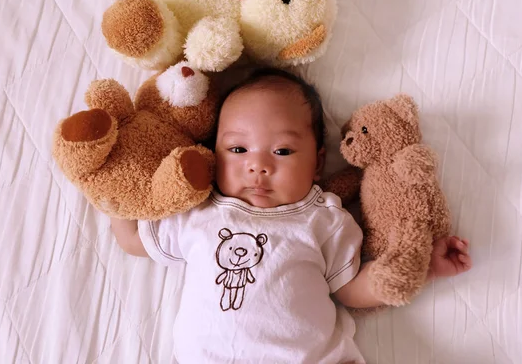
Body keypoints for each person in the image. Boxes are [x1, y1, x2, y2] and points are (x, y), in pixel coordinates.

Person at [111, 68, 472, 363]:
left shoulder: (324, 220)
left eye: (282, 150)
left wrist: (419, 268)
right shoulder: (199, 211)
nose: (258, 165)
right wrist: (109, 187)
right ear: (213, 151)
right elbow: (131, 238)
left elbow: (349, 290)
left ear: (316, 163)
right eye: (238, 149)